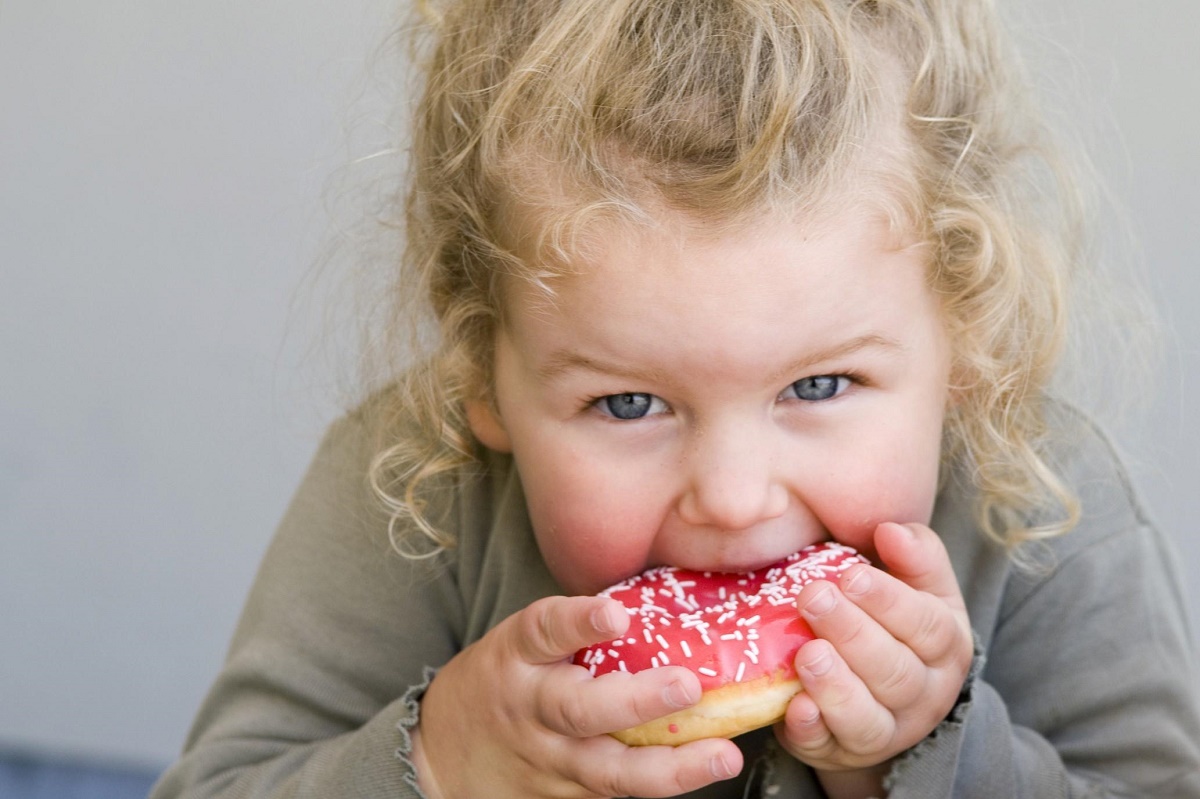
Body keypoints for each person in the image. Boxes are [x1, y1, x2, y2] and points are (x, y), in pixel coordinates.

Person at [150, 1, 1200, 797]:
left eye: (821, 385)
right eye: (628, 405)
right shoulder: (418, 489)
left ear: (964, 340)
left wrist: (931, 750)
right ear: (482, 376)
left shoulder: (1041, 501)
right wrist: (447, 755)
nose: (736, 499)